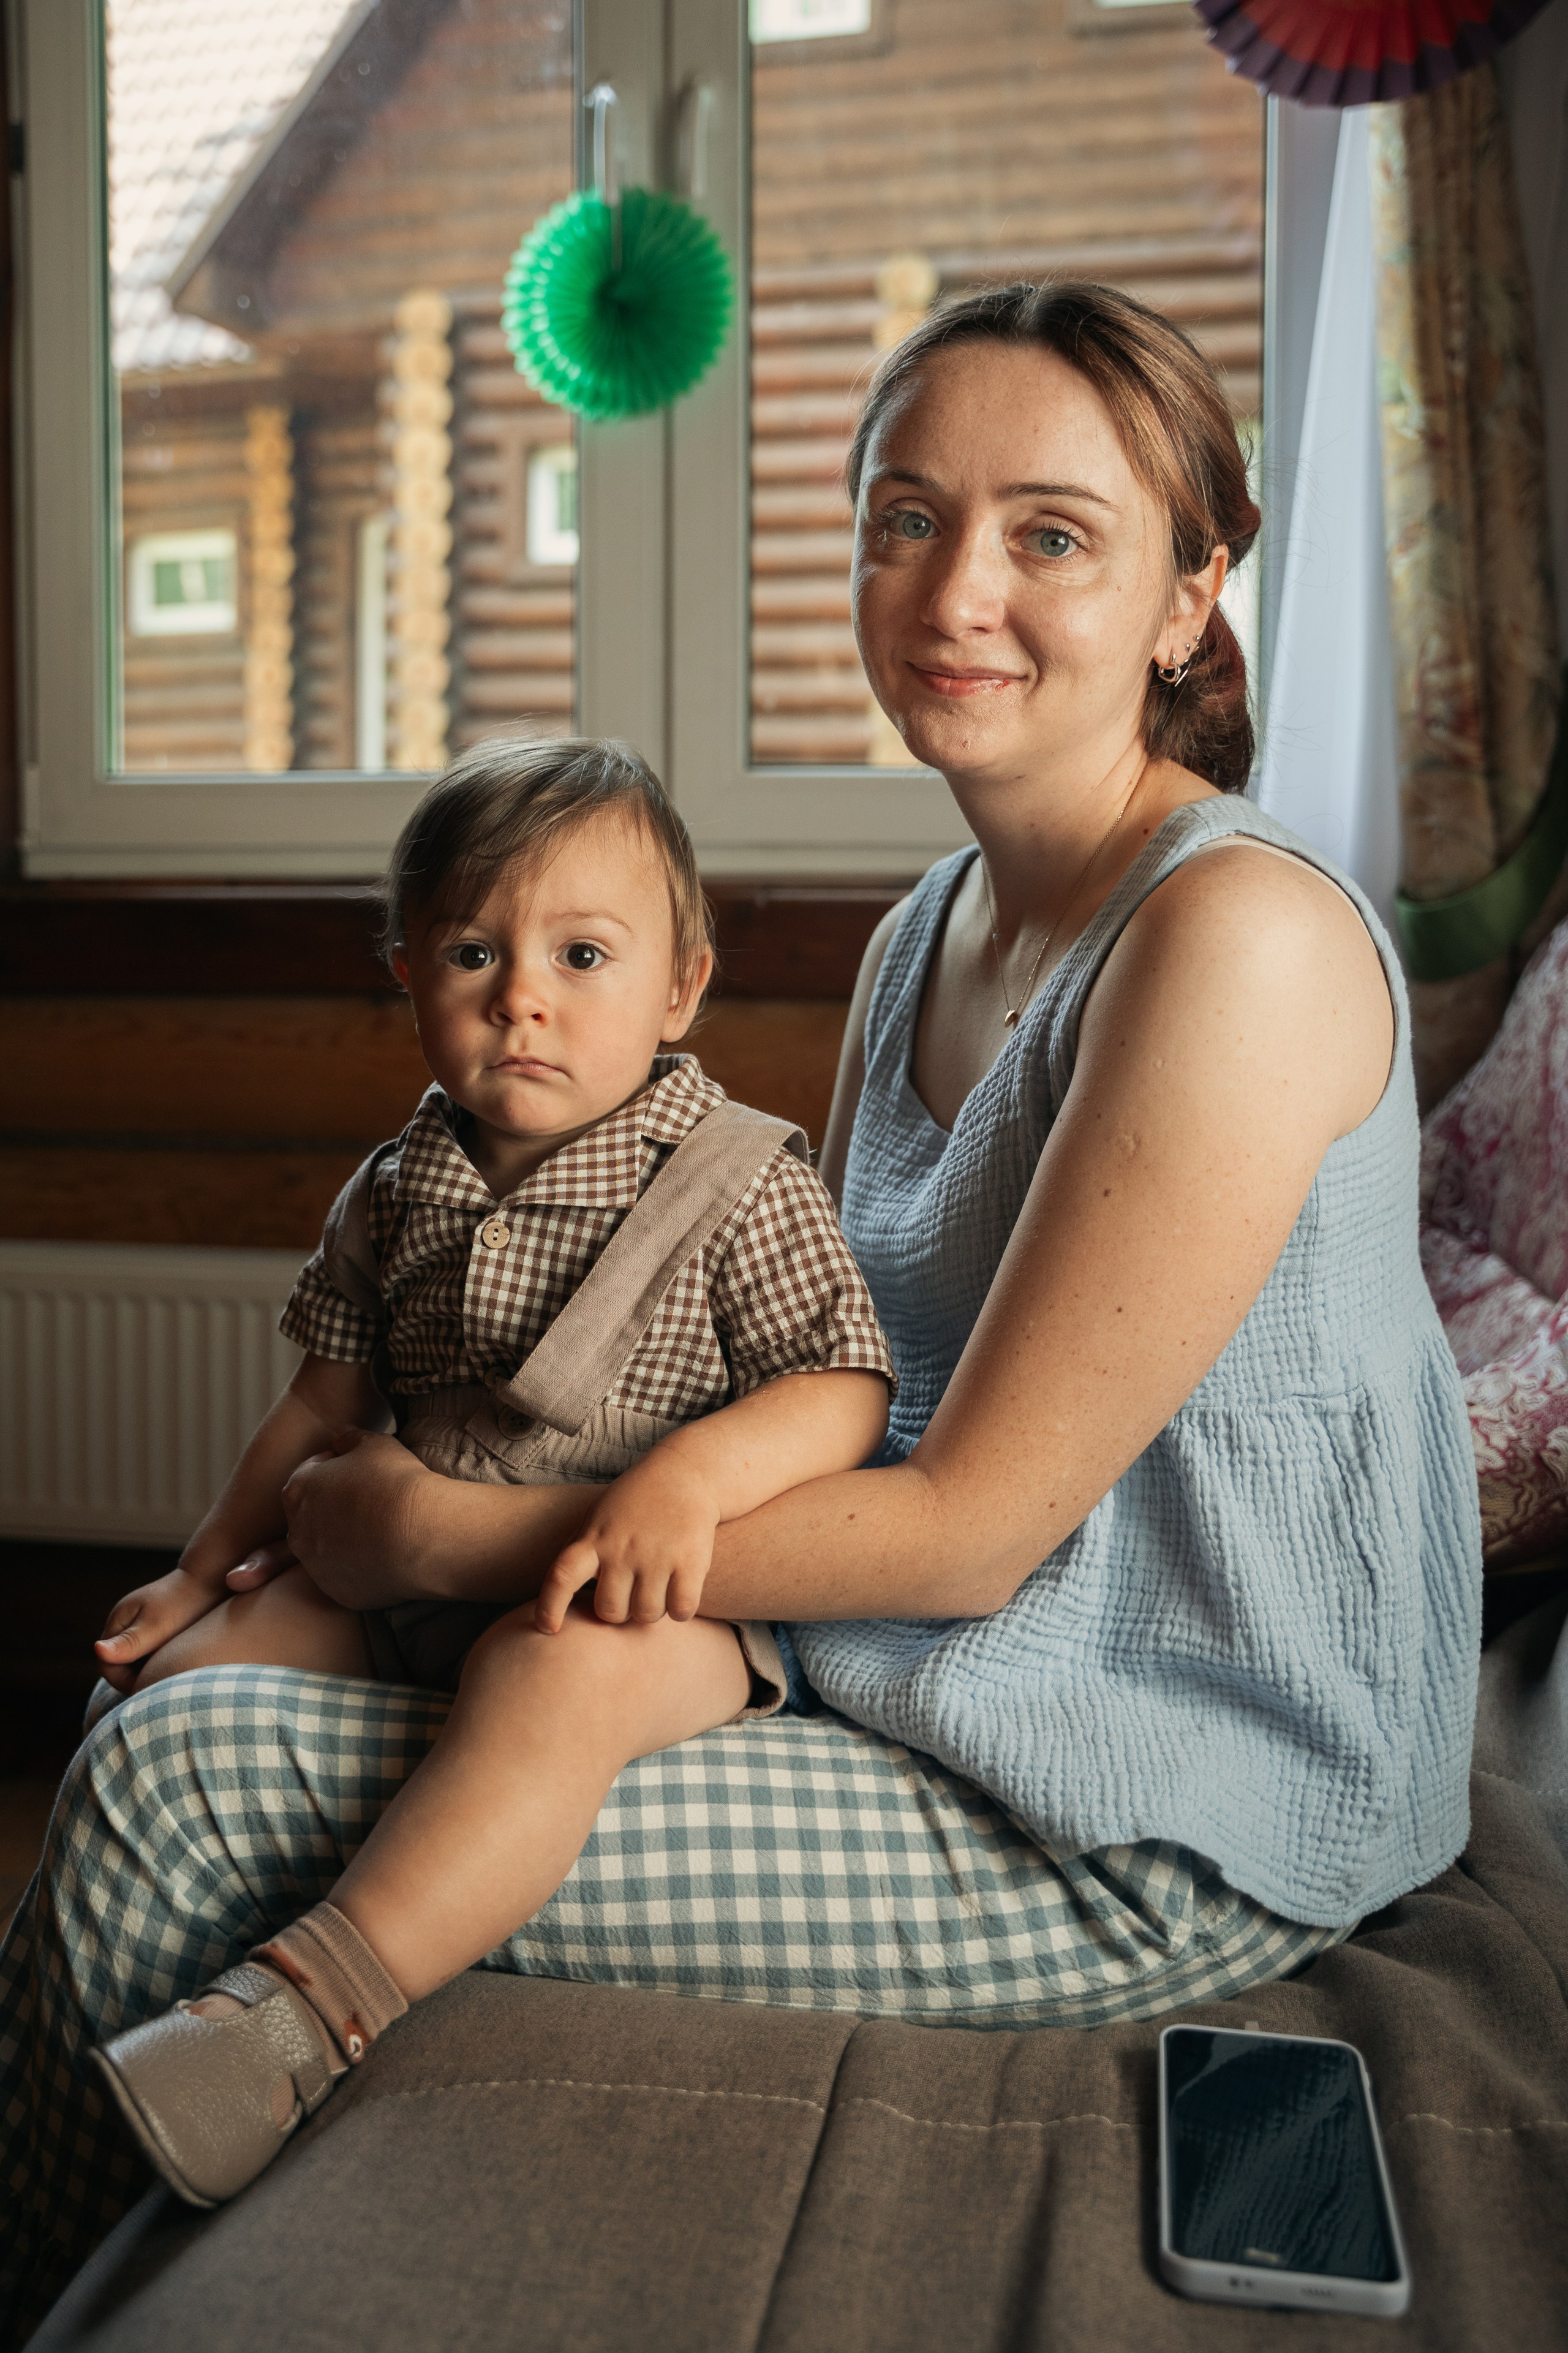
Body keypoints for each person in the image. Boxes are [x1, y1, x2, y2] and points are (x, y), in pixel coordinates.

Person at [0, 281, 1482, 2343]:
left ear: (1190, 590)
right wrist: (262, 1553)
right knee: (162, 1707)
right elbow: (832, 1389)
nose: (959, 585)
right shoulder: (927, 936)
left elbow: (971, 1518)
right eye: (905, 518)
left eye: (1052, 532)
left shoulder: (1230, 941)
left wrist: (448, 1531)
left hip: (1160, 1798)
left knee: (184, 1797)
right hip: (904, 1675)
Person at [83, 739, 894, 2206]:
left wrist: (696, 1478)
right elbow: (317, 1405)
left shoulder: (738, 1177)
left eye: (583, 953)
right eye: (473, 950)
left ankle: (301, 2013)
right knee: (189, 1683)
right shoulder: (399, 1184)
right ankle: (134, 1999)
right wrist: (203, 1569)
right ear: (406, 971)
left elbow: (841, 1385)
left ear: (680, 989)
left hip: (649, 1605)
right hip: (402, 1565)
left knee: (556, 1672)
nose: (522, 993)